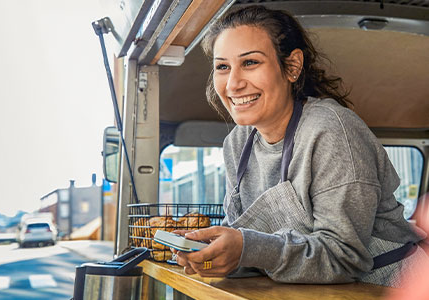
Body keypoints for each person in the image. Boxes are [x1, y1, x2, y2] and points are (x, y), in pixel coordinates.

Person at [173, 5, 427, 287]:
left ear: (292, 67)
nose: (233, 84)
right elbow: (247, 242)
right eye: (223, 67)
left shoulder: (330, 132)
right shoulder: (237, 144)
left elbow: (345, 258)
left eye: (250, 63)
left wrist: (248, 248)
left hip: (388, 285)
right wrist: (214, 255)